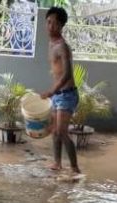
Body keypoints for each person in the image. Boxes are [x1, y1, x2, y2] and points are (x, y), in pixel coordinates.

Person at [40, 7, 80, 174]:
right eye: (49, 22)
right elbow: (56, 71)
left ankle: (75, 168)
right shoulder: (51, 44)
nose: (51, 26)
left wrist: (51, 92)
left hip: (67, 94)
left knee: (62, 132)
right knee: (55, 132)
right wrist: (55, 92)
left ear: (62, 26)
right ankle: (57, 163)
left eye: (55, 24)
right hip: (59, 94)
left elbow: (67, 74)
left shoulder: (63, 46)